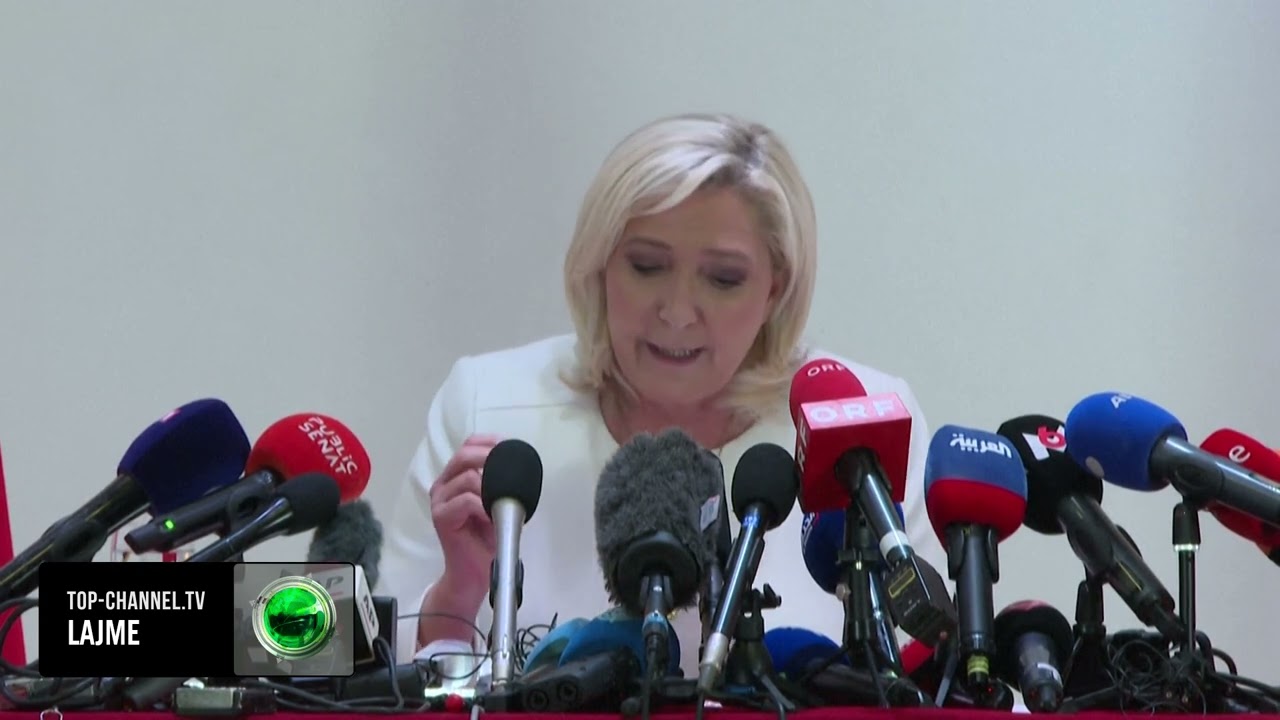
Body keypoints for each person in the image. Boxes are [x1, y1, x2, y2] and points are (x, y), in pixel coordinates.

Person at [376, 113, 947, 677]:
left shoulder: (863, 424)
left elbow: (931, 671)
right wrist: (459, 591)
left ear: (776, 288)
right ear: (600, 266)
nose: (676, 313)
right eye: (647, 266)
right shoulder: (489, 406)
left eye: (723, 279)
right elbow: (367, 679)